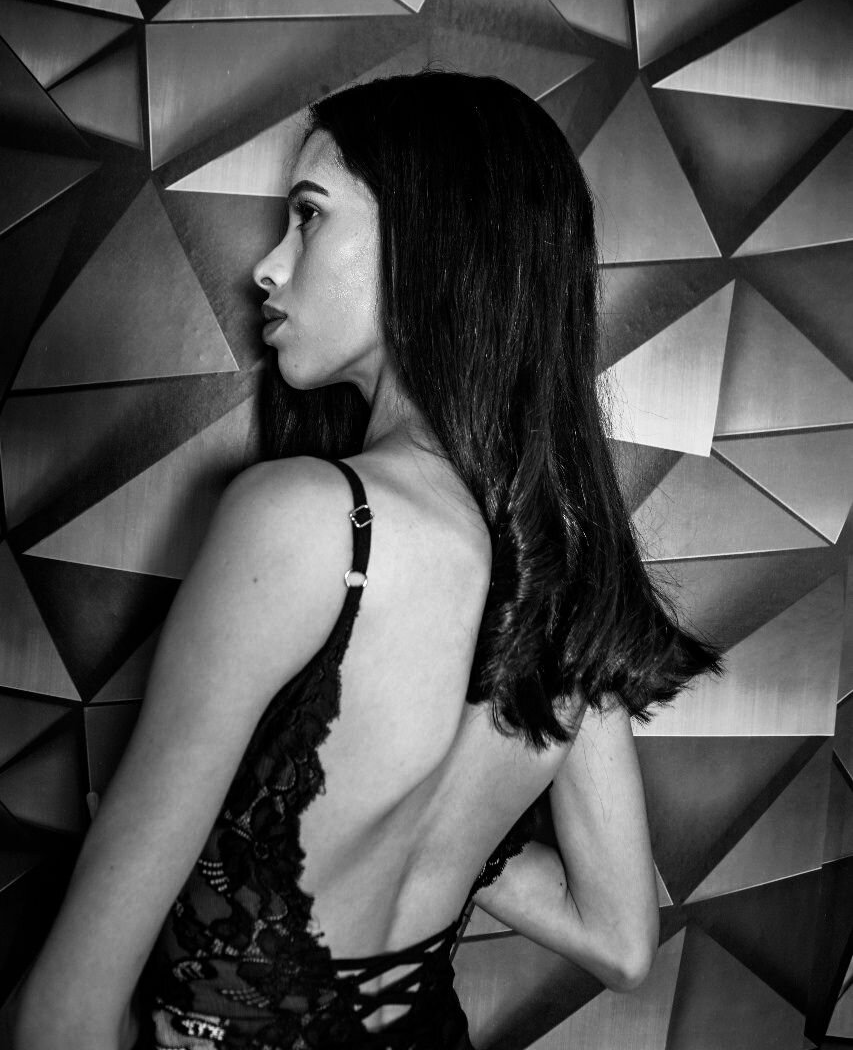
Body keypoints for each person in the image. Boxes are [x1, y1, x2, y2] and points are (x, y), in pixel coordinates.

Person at [12, 70, 721, 1050]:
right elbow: (621, 940)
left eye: (309, 216)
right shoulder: (564, 575)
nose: (265, 267)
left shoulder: (307, 520)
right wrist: (434, 838)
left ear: (433, 246)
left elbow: (63, 1014)